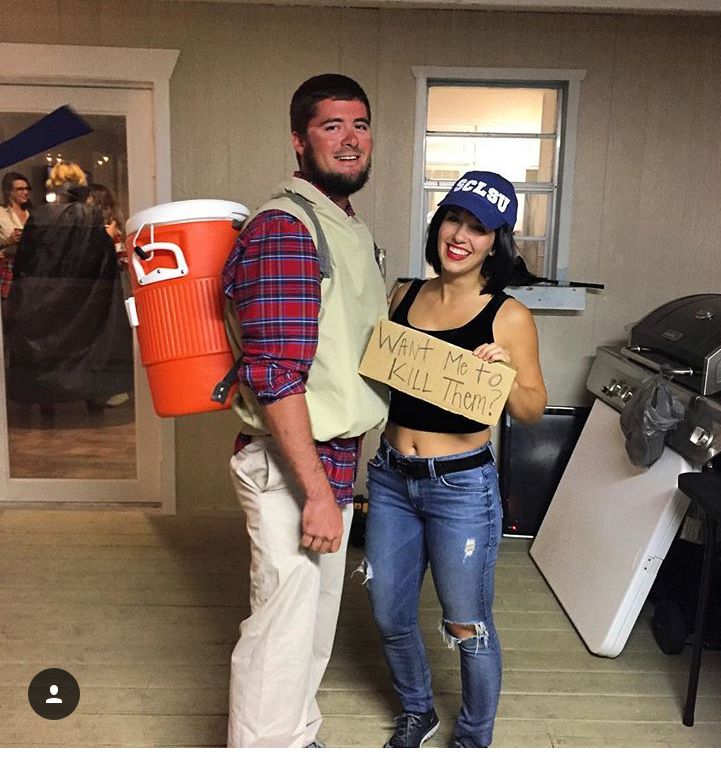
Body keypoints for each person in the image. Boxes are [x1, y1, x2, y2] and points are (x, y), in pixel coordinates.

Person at [221, 74, 388, 748]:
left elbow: (357, 340)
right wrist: (317, 491)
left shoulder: (343, 223)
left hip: (332, 461)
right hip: (296, 465)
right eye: (330, 126)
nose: (349, 140)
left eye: (359, 125)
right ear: (298, 140)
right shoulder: (286, 230)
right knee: (279, 638)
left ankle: (297, 735)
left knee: (310, 629)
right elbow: (276, 376)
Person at [362, 171, 547, 748]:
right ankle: (419, 710)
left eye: (478, 227)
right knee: (390, 614)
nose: (460, 236)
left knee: (466, 625)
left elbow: (533, 408)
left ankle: (473, 737)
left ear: (497, 241)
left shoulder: (508, 315)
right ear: (438, 224)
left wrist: (505, 374)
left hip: (461, 488)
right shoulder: (404, 295)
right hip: (392, 476)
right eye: (453, 219)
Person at [5, 162, 133, 416]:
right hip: (82, 297)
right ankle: (90, 398)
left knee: (48, 347)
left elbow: (28, 262)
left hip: (44, 297)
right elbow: (100, 261)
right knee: (83, 345)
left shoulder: (39, 217)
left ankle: (46, 402)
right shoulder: (91, 217)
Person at [0, 171, 32, 313]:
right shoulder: (1, 213)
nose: (25, 192)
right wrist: (9, 241)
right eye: (20, 189)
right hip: (9, 265)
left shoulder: (32, 213)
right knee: (8, 309)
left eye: (27, 189)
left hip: (30, 266)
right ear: (8, 191)